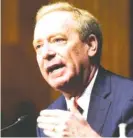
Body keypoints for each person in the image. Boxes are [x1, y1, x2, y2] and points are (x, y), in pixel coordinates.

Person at [33, 1, 133, 137]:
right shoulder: (50, 120)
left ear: (91, 45)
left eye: (57, 40)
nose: (45, 53)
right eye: (38, 46)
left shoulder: (129, 99)